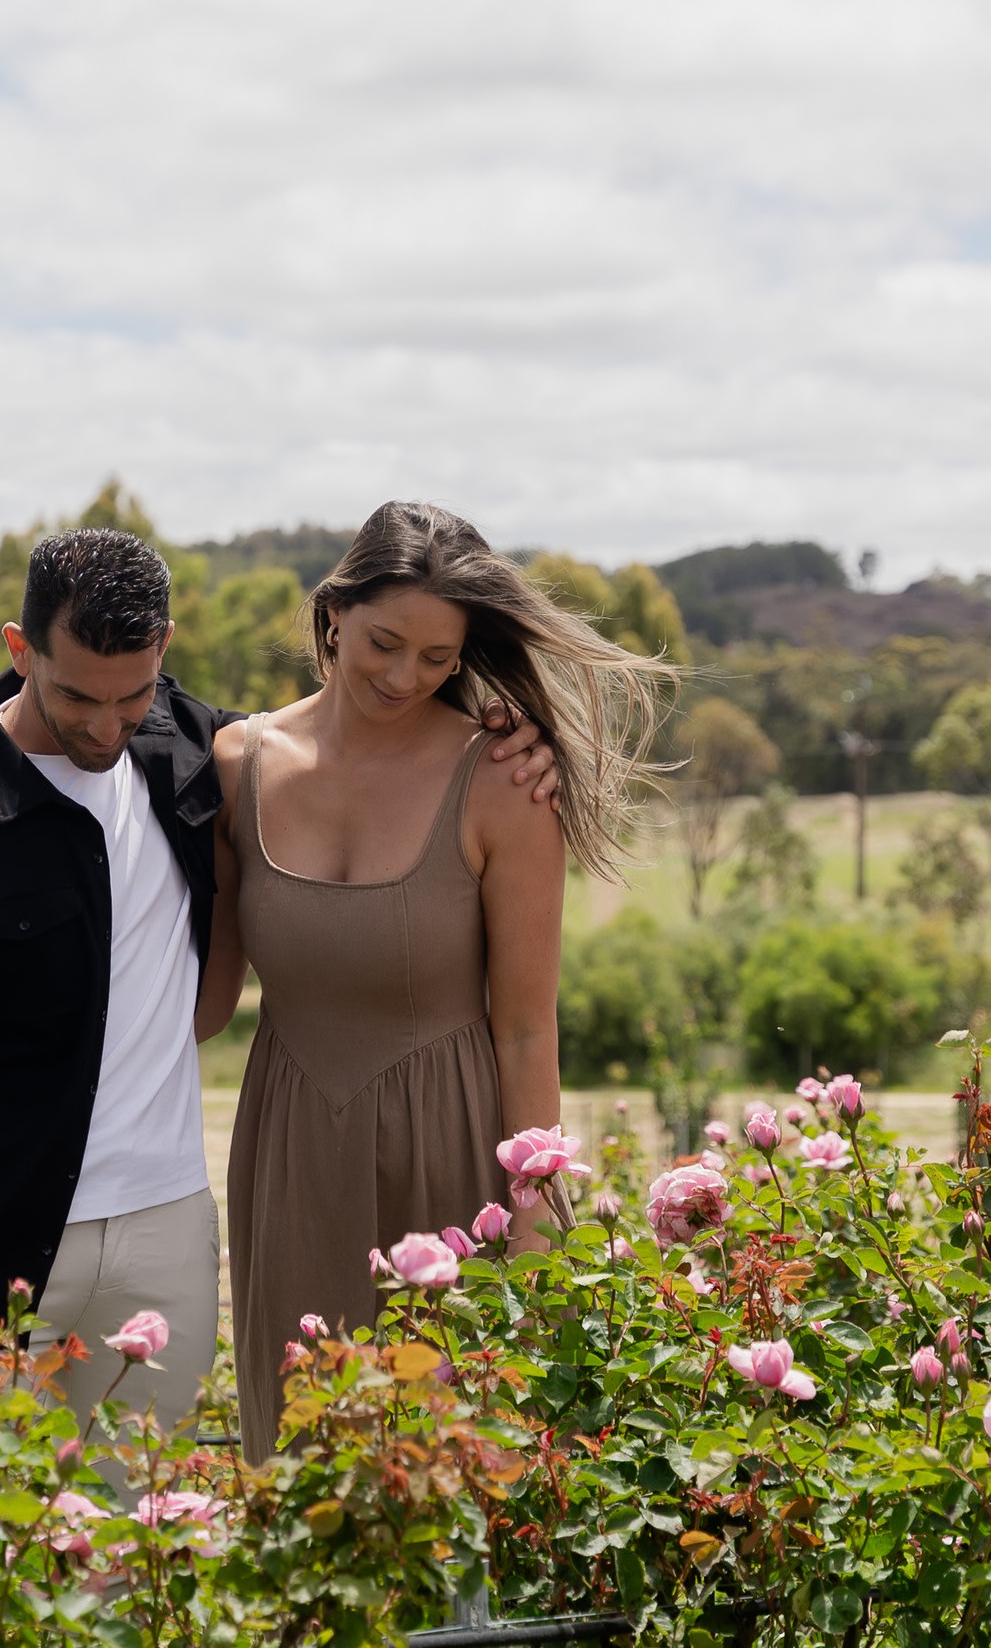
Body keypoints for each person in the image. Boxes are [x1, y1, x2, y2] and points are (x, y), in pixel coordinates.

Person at [0, 526, 561, 1451]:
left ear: (165, 655)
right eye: (76, 697)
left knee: (152, 1537)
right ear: (20, 651)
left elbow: (524, 1026)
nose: (107, 726)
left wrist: (541, 1212)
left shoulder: (191, 749)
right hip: (46, 1236)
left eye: (131, 695)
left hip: (208, 1224)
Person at [198, 501, 672, 1457]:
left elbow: (528, 1031)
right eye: (383, 641)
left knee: (453, 1467)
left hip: (453, 1158)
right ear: (333, 612)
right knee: (297, 1463)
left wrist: (537, 1221)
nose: (403, 676)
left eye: (437, 658)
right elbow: (204, 999)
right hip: (290, 1159)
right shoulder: (237, 764)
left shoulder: (501, 778)